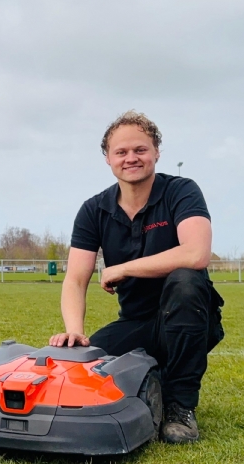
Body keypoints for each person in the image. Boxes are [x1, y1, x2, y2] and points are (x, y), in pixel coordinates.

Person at [49, 110, 223, 444]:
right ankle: (152, 376)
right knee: (83, 368)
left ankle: (179, 408)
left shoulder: (181, 191)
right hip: (136, 322)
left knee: (185, 279)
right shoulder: (93, 210)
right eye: (121, 152)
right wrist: (75, 332)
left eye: (140, 150)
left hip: (190, 317)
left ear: (156, 151)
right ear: (108, 159)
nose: (131, 158)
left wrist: (124, 268)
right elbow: (75, 279)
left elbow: (196, 253)